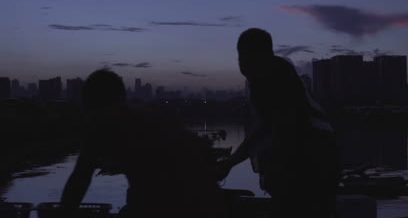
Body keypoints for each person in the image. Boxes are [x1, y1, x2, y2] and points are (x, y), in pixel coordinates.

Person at [60, 69, 226, 218]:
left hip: (177, 206)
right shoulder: (154, 114)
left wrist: (64, 214)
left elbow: (80, 178)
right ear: (122, 96)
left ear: (89, 102)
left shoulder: (101, 119)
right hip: (212, 203)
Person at [217, 28, 339, 218]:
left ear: (267, 55)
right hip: (309, 155)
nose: (244, 65)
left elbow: (281, 131)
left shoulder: (277, 76)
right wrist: (230, 163)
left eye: (250, 58)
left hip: (316, 155)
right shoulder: (260, 80)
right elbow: (265, 131)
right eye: (241, 58)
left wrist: (231, 163)